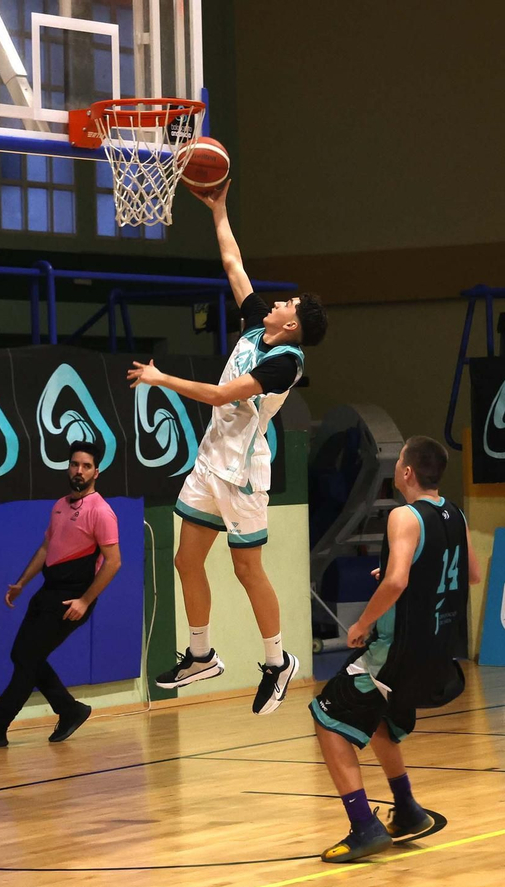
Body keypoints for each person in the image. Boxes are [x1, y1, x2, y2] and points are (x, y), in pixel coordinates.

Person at [127, 181, 328, 715]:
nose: (278, 300)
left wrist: (160, 377)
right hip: (210, 459)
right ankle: (200, 654)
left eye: (288, 303)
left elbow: (219, 394)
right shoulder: (257, 326)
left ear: (291, 325)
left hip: (242, 472)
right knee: (185, 559)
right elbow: (233, 261)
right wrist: (219, 209)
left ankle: (276, 661)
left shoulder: (286, 364)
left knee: (247, 571)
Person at [308, 436, 479, 863]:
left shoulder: (404, 516)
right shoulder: (455, 513)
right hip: (437, 651)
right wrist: (405, 568)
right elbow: (470, 574)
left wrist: (363, 622)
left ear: (406, 472)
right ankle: (406, 810)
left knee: (325, 717)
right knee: (377, 716)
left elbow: (397, 582)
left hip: (394, 649)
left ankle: (364, 827)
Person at [0, 441, 120, 748]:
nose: (79, 470)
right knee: (22, 655)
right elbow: (47, 547)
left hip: (72, 598)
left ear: (96, 472)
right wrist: (22, 582)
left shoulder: (100, 511)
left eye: (86, 466)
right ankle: (69, 709)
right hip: (48, 591)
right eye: (75, 464)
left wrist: (85, 601)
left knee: (28, 657)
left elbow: (114, 562)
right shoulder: (60, 505)